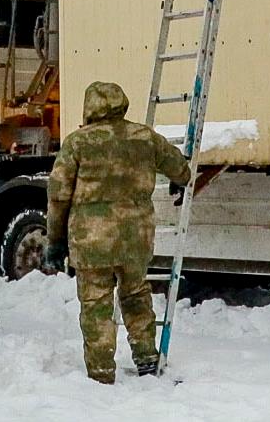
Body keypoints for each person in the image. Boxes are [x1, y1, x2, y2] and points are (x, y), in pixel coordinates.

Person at [45, 81, 191, 383]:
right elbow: (181, 169)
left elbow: (58, 196)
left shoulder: (77, 143)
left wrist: (56, 241)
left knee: (96, 304)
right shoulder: (144, 137)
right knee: (136, 295)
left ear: (90, 107)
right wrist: (179, 177)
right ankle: (147, 358)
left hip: (91, 240)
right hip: (136, 237)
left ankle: (101, 372)